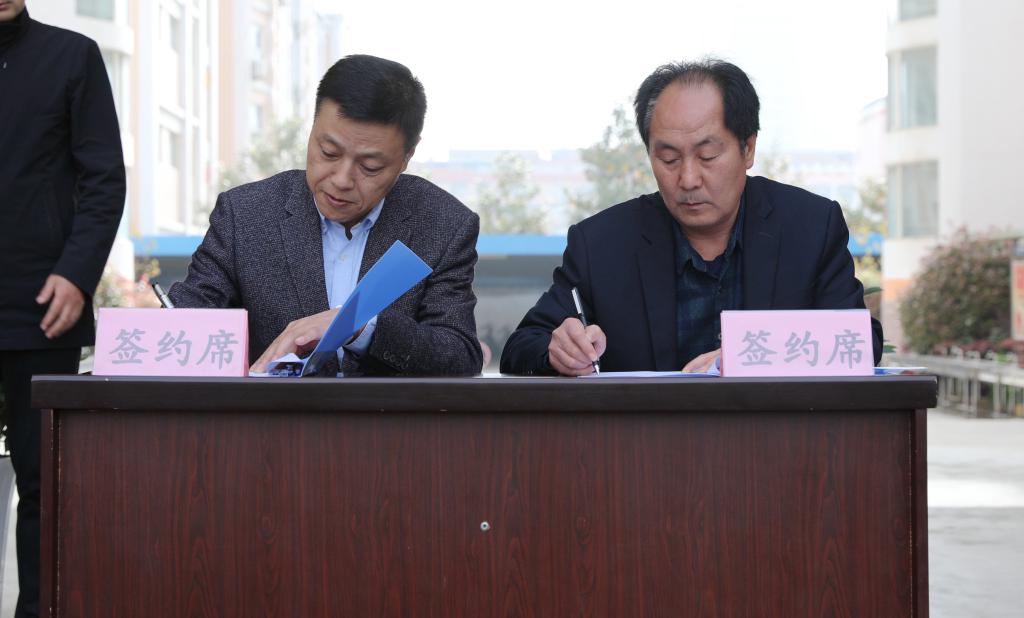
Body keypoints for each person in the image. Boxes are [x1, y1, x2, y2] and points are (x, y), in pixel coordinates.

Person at [501, 58, 882, 376]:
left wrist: (750, 357)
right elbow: (522, 347)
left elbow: (861, 341)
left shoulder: (809, 227)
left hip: (774, 439)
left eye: (707, 156)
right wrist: (558, 351)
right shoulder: (602, 243)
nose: (687, 179)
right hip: (643, 441)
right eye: (668, 159)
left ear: (748, 148)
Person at [170, 54, 482, 376]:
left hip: (386, 411)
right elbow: (188, 320)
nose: (342, 179)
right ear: (313, 128)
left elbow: (459, 354)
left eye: (370, 167)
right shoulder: (245, 215)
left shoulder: (443, 224)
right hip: (272, 410)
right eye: (328, 152)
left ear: (406, 157)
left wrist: (357, 326)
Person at [0, 1, 126, 615]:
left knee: (44, 485)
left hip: (42, 306)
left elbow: (103, 179)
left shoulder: (72, 56)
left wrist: (77, 273)